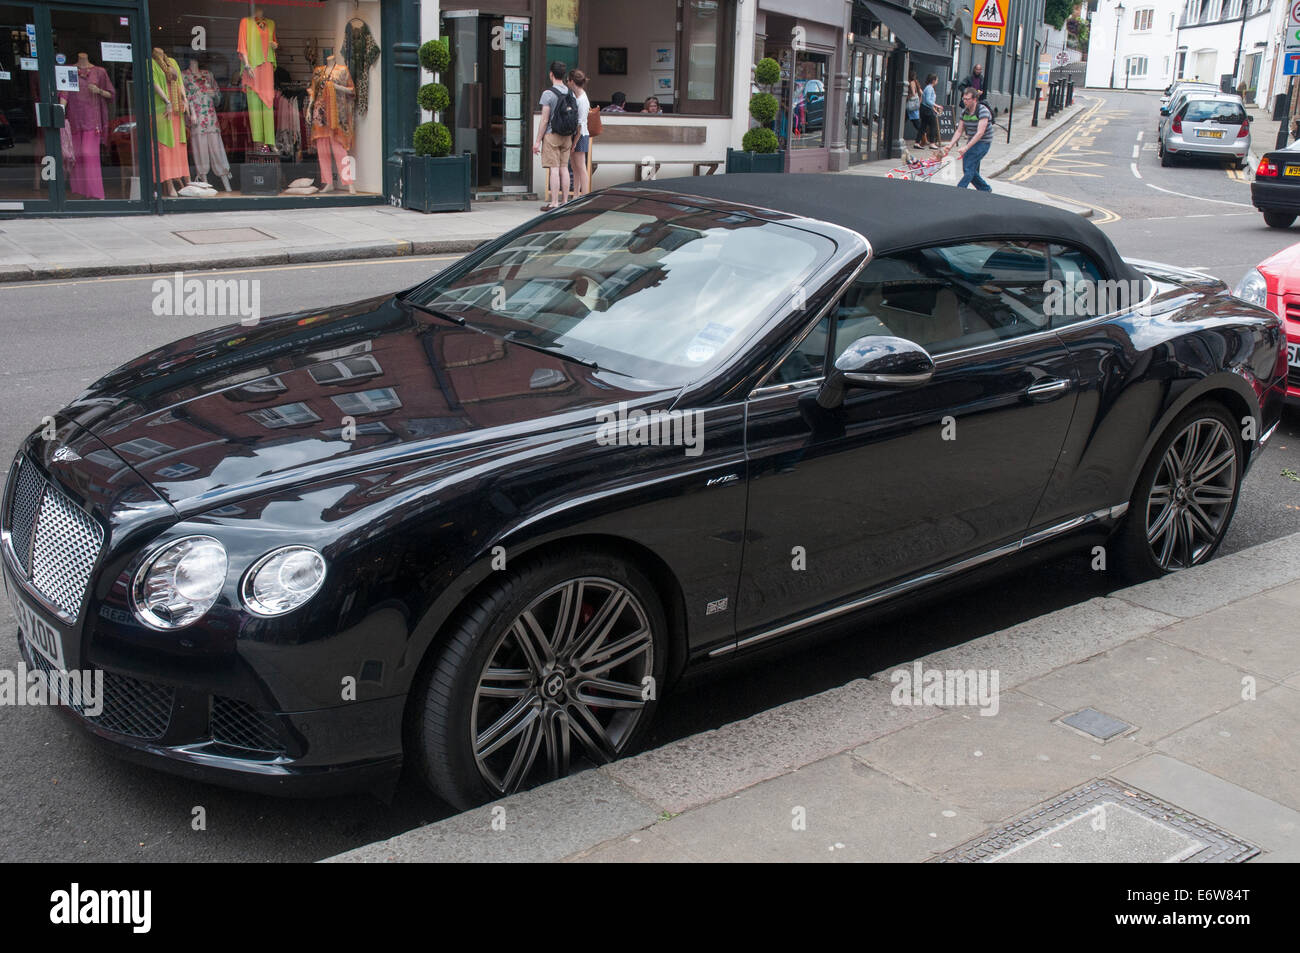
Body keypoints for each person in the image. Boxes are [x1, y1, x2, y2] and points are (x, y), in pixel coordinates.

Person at [533, 60, 579, 210]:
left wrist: (537, 141)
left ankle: (554, 202)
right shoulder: (570, 92)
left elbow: (545, 119)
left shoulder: (548, 94)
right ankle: (565, 201)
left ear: (551, 74)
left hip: (552, 134)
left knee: (554, 169)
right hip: (567, 135)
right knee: (564, 168)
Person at [943, 87, 993, 192]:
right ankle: (985, 189)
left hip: (983, 142)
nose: (965, 101)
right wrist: (950, 145)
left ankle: (961, 189)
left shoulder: (983, 111)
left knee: (969, 166)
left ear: (974, 99)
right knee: (969, 167)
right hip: (972, 141)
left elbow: (980, 133)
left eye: (967, 99)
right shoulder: (964, 112)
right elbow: (959, 131)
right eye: (963, 99)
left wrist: (966, 147)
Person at [568, 68, 591, 198]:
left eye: (568, 80)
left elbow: (581, 124)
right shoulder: (577, 96)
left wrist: (574, 143)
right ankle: (576, 195)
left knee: (581, 167)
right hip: (578, 135)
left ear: (572, 81)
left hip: (580, 135)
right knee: (575, 167)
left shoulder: (582, 99)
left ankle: (585, 196)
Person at [922, 73, 942, 149]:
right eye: (937, 80)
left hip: (926, 108)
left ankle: (917, 142)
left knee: (923, 126)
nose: (937, 81)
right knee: (933, 125)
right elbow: (928, 101)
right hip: (927, 109)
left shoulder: (928, 88)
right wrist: (937, 106)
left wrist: (934, 109)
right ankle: (932, 143)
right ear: (933, 80)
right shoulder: (930, 88)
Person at [906, 68, 925, 148]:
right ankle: (923, 139)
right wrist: (919, 100)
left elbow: (913, 94)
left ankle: (921, 139)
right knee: (916, 123)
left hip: (911, 105)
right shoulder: (916, 82)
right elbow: (921, 93)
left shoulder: (912, 82)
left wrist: (906, 96)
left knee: (917, 124)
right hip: (915, 106)